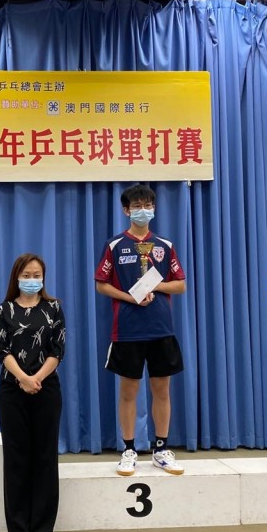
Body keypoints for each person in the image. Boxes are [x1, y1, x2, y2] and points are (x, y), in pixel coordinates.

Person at [95, 184, 186, 477]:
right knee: (129, 391)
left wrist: (155, 285)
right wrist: (130, 296)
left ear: (154, 209)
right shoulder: (114, 245)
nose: (143, 210)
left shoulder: (164, 245)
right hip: (128, 330)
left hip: (161, 329)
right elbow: (101, 285)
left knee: (162, 389)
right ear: (126, 210)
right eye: (136, 206)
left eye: (147, 205)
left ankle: (161, 449)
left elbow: (180, 284)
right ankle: (129, 449)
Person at [0, 253, 66, 532]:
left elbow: (58, 349)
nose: (32, 280)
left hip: (47, 389)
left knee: (45, 455)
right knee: (16, 456)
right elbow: (3, 351)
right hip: (12, 390)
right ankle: (19, 525)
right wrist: (23, 378)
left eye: (37, 276)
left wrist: (38, 379)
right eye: (26, 275)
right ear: (16, 277)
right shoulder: (4, 310)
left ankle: (43, 525)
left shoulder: (54, 307)